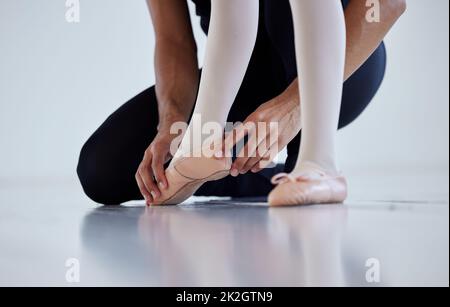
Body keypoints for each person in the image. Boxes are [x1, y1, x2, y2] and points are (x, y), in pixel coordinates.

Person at [77, 0, 406, 206]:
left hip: (342, 71)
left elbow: (388, 3)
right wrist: (177, 127)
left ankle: (313, 161)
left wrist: (293, 107)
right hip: (246, 74)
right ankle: (260, 177)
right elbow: (175, 38)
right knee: (101, 169)